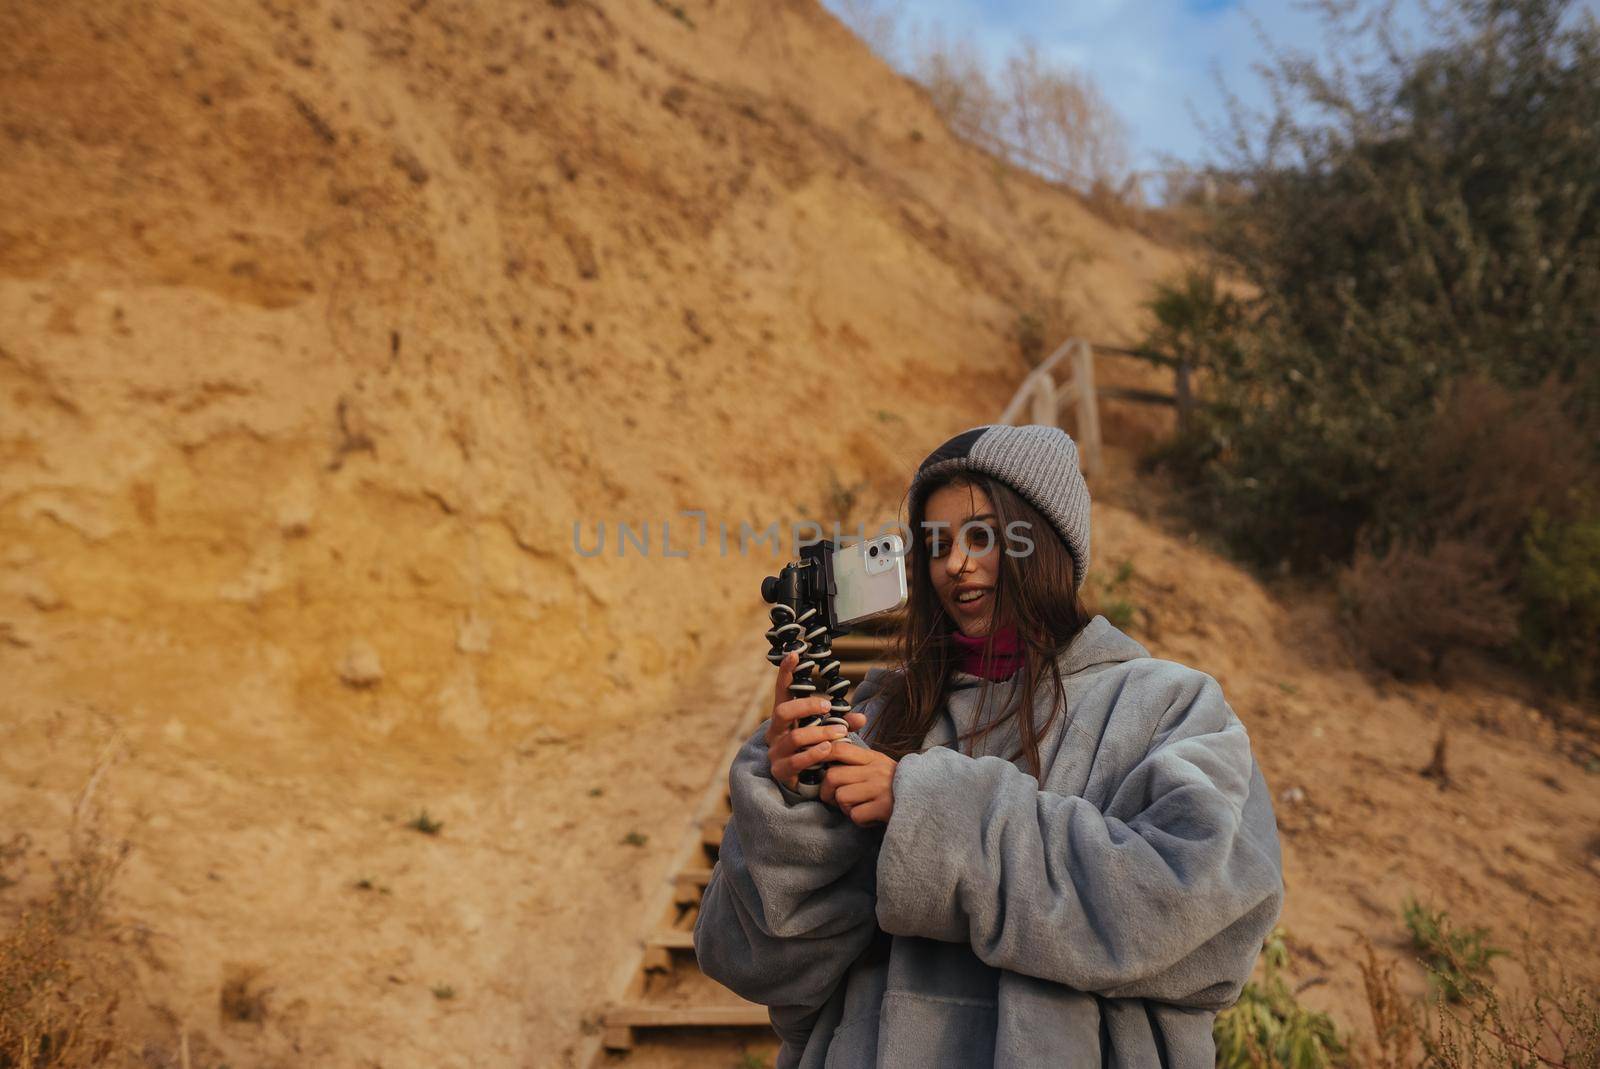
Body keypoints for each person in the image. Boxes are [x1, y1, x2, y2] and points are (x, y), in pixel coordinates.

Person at [694, 424, 1285, 1068]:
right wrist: (791, 804)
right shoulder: (876, 716)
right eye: (937, 544)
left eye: (983, 535)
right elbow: (750, 961)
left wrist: (928, 809)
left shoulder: (1167, 706)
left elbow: (1202, 911)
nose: (956, 564)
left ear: (1047, 541)